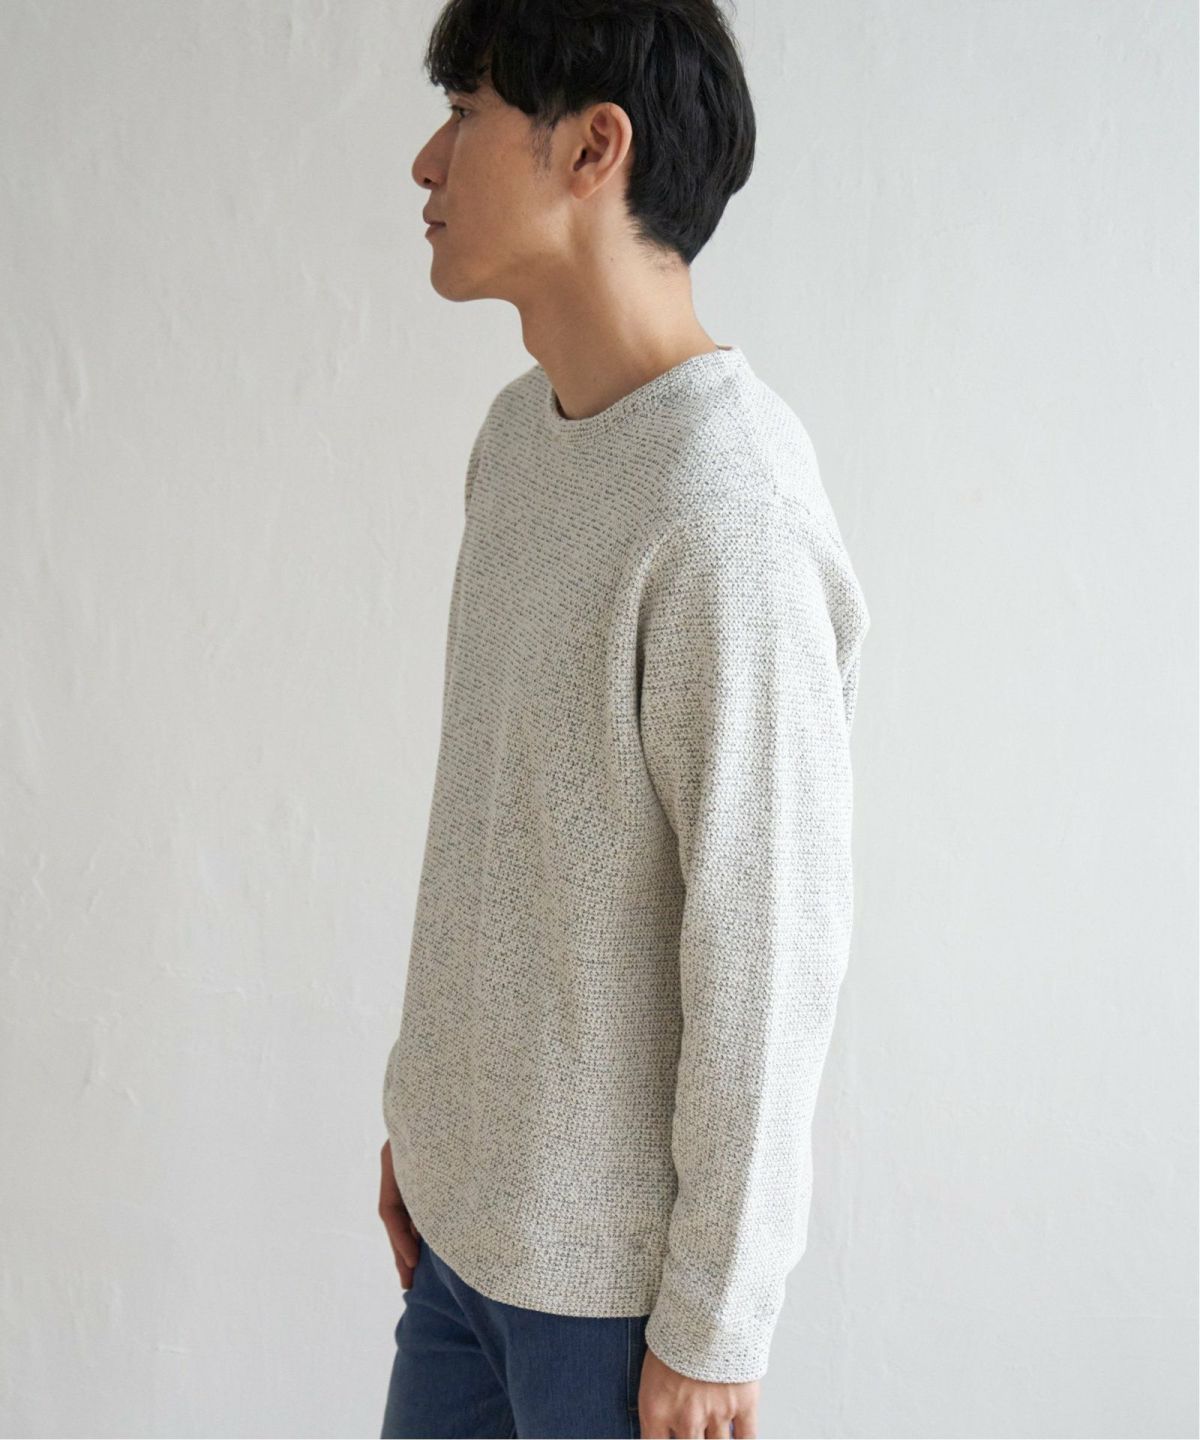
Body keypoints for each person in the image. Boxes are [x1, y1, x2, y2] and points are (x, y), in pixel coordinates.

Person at [377, 3, 871, 1436]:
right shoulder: (519, 440)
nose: (426, 162)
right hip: (463, 1243)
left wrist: (719, 1320)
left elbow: (769, 949)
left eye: (464, 111)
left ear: (595, 147)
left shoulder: (728, 512)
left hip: (612, 1311)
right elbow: (495, 828)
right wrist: (428, 1115)